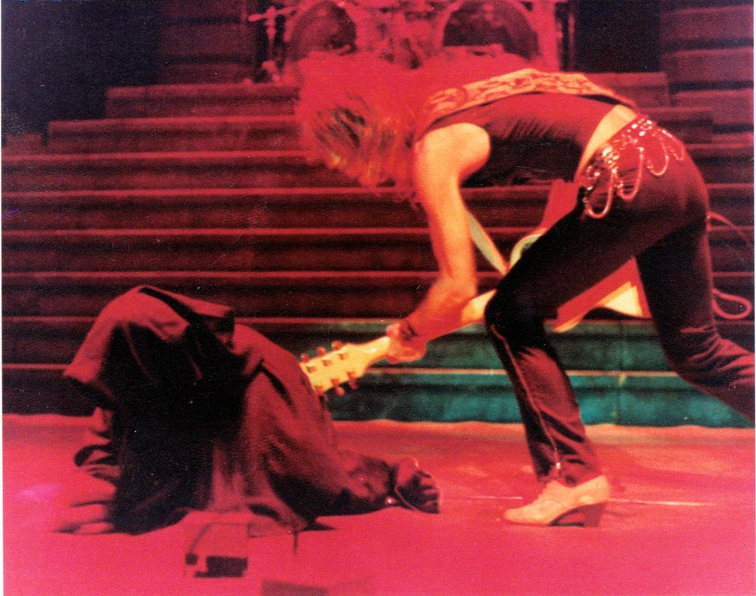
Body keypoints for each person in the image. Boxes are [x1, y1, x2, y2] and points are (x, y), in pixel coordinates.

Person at [296, 52, 755, 527]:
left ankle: (573, 478)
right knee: (699, 350)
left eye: (347, 162)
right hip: (674, 169)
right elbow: (583, 146)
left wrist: (412, 331)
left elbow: (457, 286)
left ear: (363, 135)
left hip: (626, 177)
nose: (362, 176)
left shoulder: (435, 145)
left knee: (509, 313)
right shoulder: (473, 100)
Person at [53, 286, 439, 535]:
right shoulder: (142, 352)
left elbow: (311, 475)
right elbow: (110, 429)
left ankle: (392, 475)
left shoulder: (267, 377)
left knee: (302, 480)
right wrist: (110, 482)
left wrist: (136, 505)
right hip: (194, 399)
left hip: (258, 407)